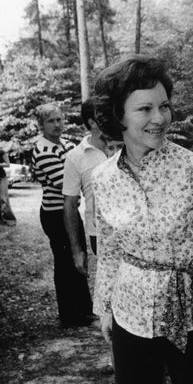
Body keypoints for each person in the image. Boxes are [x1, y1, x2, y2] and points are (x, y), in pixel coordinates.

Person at [92, 55, 193, 384]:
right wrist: (104, 308)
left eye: (164, 106)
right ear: (119, 115)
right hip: (131, 309)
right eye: (145, 108)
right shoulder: (102, 178)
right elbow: (110, 248)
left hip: (190, 309)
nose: (159, 118)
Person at [31, 104, 94, 328]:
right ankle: (69, 316)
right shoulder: (43, 150)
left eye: (59, 119)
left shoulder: (67, 145)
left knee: (80, 256)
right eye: (51, 121)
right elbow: (63, 183)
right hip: (55, 212)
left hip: (70, 209)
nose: (57, 125)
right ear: (41, 125)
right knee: (65, 261)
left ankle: (85, 310)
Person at [62, 99, 118, 277]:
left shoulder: (126, 146)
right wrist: (77, 250)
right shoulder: (75, 157)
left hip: (134, 227)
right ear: (92, 122)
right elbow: (70, 205)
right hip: (100, 234)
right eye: (104, 115)